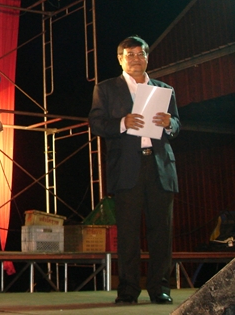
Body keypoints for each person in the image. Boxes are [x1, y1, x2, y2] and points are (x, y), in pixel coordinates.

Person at [88, 35, 180, 305]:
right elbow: (96, 123)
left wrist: (170, 123)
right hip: (127, 168)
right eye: (130, 55)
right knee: (128, 233)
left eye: (141, 54)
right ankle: (128, 289)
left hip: (160, 167)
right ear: (120, 59)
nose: (136, 59)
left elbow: (177, 124)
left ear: (147, 58)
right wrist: (123, 122)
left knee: (161, 231)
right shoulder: (106, 89)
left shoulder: (164, 89)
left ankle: (160, 288)